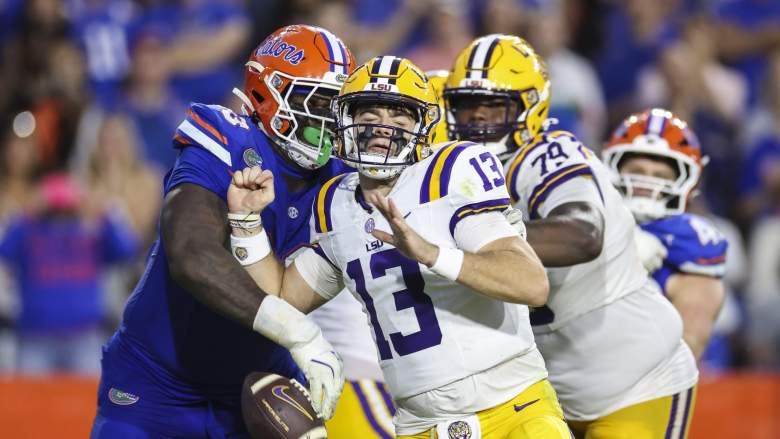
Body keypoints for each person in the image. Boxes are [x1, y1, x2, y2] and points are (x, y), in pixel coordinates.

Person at [228, 55, 571, 439]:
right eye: (369, 115)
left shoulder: (449, 173)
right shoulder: (335, 202)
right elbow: (282, 298)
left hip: (513, 408)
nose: (382, 128)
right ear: (345, 122)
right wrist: (246, 224)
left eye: (399, 118)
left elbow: (531, 285)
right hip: (418, 425)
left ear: (422, 128)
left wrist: (432, 254)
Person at [90, 25, 356, 438]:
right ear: (268, 93)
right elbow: (191, 252)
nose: (328, 120)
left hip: (256, 384)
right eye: (317, 102)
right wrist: (299, 334)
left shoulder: (343, 181)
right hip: (157, 379)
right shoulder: (227, 137)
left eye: (337, 107)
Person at [444, 34, 699, 438]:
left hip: (638, 386)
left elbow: (583, 234)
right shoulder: (455, 171)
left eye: (494, 105)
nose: (477, 117)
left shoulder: (547, 154)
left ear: (530, 107)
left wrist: (478, 241)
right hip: (543, 398)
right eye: (466, 104)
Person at [602, 108, 727, 361]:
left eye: (660, 176)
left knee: (705, 288)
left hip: (638, 358)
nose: (646, 183)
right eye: (636, 171)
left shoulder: (691, 238)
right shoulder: (589, 213)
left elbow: (690, 339)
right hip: (564, 345)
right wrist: (617, 249)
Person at [0, 172, 140, 375]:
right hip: (36, 337)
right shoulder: (29, 230)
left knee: (89, 396)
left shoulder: (91, 231)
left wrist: (102, 211)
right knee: (31, 395)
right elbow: (4, 250)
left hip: (85, 337)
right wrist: (27, 212)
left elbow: (126, 251)